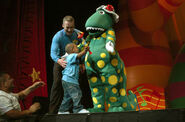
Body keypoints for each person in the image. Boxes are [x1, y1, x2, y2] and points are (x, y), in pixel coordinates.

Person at [49, 15, 83, 114]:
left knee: (75, 84)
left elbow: (83, 48)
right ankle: (52, 112)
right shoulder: (58, 36)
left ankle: (75, 109)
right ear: (63, 25)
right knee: (57, 84)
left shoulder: (78, 34)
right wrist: (59, 61)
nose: (69, 29)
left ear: (74, 26)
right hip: (61, 60)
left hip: (74, 61)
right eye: (67, 27)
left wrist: (82, 63)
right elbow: (53, 53)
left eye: (71, 27)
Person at [58, 43, 89, 114]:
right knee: (77, 94)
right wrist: (84, 51)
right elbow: (78, 55)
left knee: (67, 96)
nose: (77, 48)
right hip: (70, 80)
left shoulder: (69, 58)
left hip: (66, 80)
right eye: (76, 47)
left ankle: (62, 110)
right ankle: (78, 109)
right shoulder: (71, 56)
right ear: (72, 50)